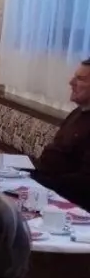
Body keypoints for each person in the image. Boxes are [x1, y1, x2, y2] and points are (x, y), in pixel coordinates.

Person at [32, 58, 90, 209]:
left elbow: (85, 181)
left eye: (80, 79)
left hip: (67, 200)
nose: (71, 82)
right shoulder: (77, 113)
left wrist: (40, 181)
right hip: (44, 182)